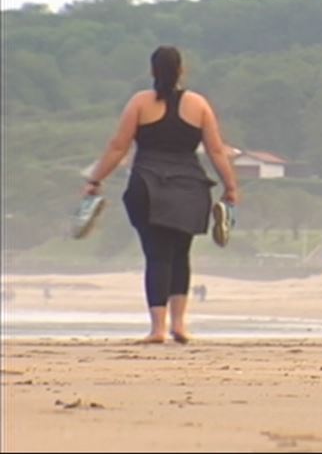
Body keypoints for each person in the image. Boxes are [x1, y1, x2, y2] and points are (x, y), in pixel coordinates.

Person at [82, 46, 239, 344]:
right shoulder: (198, 105)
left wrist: (95, 179)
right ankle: (179, 325)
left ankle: (157, 329)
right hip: (190, 186)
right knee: (181, 255)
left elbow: (118, 146)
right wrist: (230, 187)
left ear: (152, 71)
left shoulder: (140, 103)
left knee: (156, 256)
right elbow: (216, 150)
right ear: (182, 70)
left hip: (147, 184)